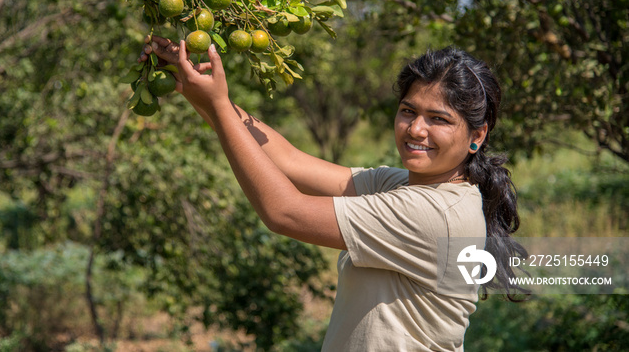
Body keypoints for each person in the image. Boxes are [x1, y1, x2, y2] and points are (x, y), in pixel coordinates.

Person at [139, 37, 527, 351]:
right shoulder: (403, 185)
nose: (415, 130)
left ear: (477, 136)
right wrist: (193, 88)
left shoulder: (432, 214)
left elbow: (284, 212)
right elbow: (289, 161)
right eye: (409, 111)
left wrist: (219, 104)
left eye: (439, 119)